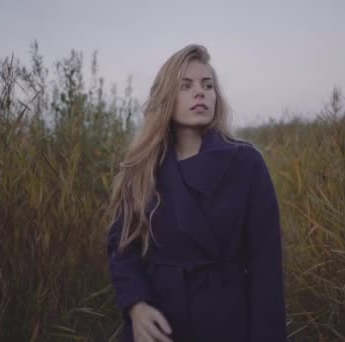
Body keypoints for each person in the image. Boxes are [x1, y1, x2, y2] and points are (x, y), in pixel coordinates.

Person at [106, 44, 287, 342]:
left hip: (227, 321)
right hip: (160, 324)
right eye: (185, 86)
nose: (200, 92)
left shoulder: (246, 163)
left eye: (207, 85)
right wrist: (136, 307)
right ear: (166, 98)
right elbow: (122, 248)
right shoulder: (143, 167)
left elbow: (266, 268)